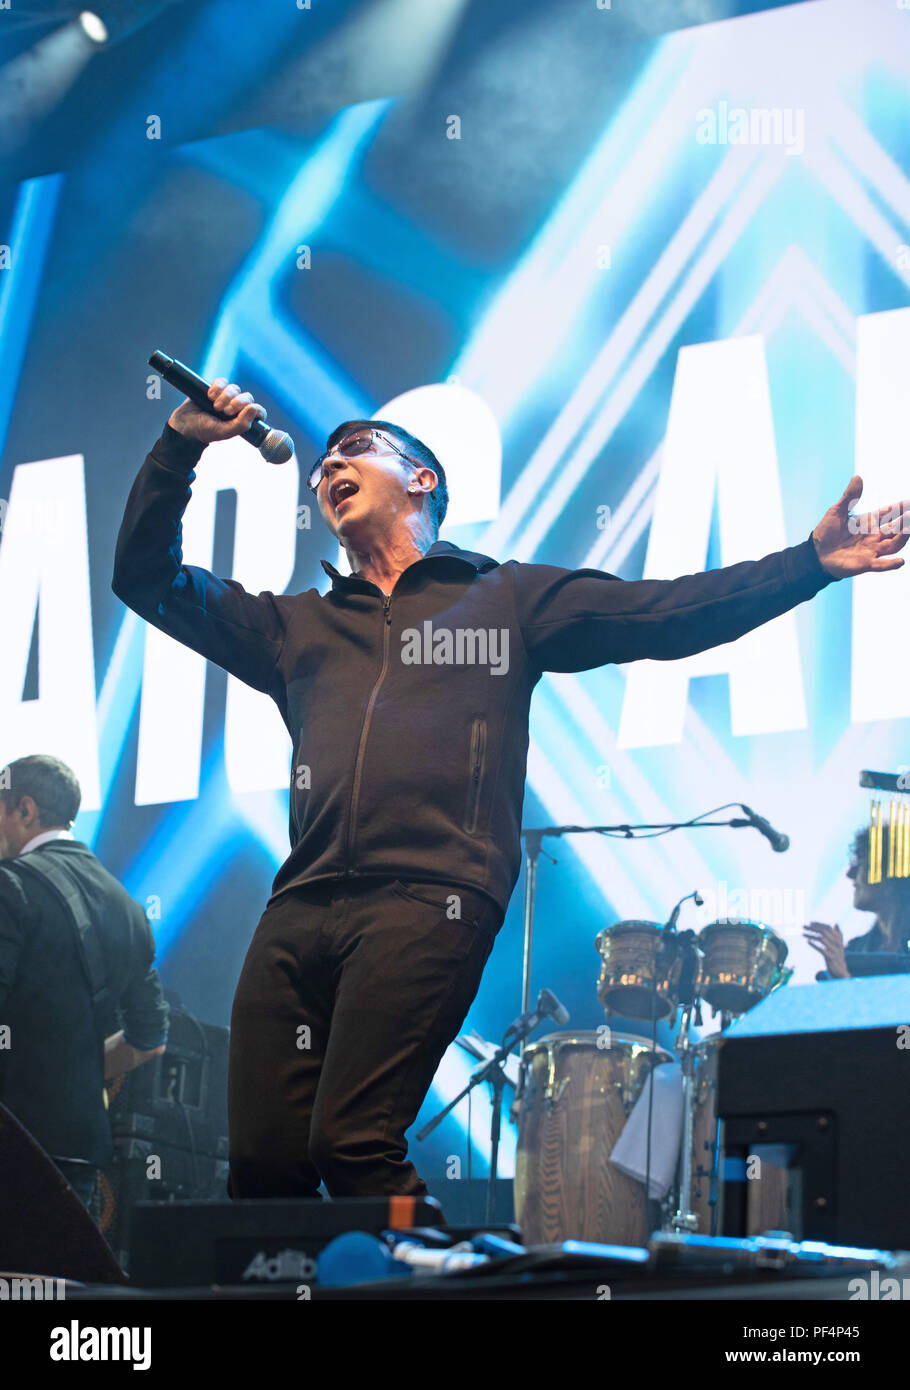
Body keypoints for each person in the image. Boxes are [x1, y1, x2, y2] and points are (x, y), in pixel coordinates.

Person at [111, 375, 909, 1202]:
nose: (327, 469)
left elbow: (665, 613)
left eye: (354, 451)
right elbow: (146, 579)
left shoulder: (506, 598)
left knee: (352, 1145)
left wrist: (808, 565)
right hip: (301, 905)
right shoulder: (295, 627)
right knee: (265, 1166)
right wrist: (180, 444)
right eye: (320, 467)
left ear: (423, 480)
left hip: (430, 898)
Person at [0, 755, 169, 1213]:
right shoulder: (129, 909)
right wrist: (75, 1072)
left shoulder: (8, 886)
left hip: (11, 1145)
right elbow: (150, 1041)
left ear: (25, 810)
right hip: (77, 1151)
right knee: (55, 1283)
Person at [804, 826, 910, 979]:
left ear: (888, 875)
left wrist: (843, 977)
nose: (850, 874)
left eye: (861, 864)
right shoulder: (856, 950)